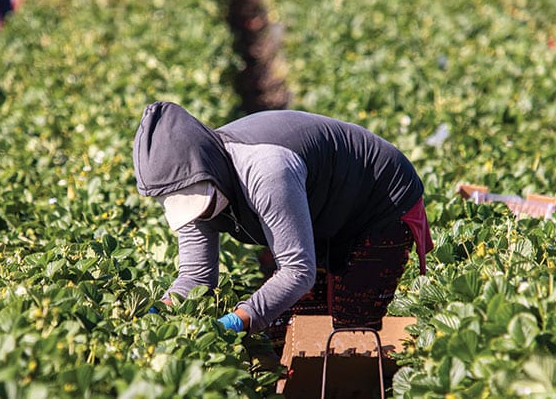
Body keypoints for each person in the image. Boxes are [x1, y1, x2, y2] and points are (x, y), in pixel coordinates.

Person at [132, 101, 433, 350]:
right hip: (321, 214)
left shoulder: (266, 171)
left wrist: (239, 319)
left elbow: (298, 272)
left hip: (379, 203)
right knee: (291, 332)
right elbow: (196, 277)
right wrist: (159, 312)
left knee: (350, 335)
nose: (202, 212)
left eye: (202, 199)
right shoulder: (190, 186)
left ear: (209, 170)